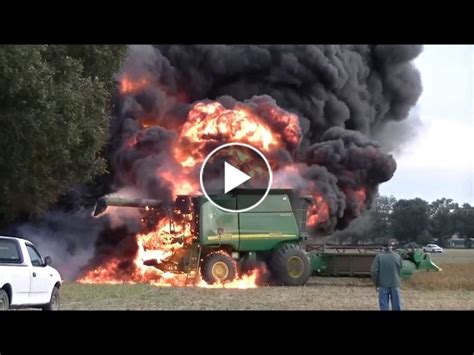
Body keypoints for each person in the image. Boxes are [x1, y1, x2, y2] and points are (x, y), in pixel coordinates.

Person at [370, 242, 403, 310]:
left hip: (382, 284)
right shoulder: (397, 256)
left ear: (382, 248)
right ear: (391, 247)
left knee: (384, 305)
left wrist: (376, 283)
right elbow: (400, 269)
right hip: (395, 283)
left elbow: (374, 272)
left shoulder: (379, 257)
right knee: (397, 305)